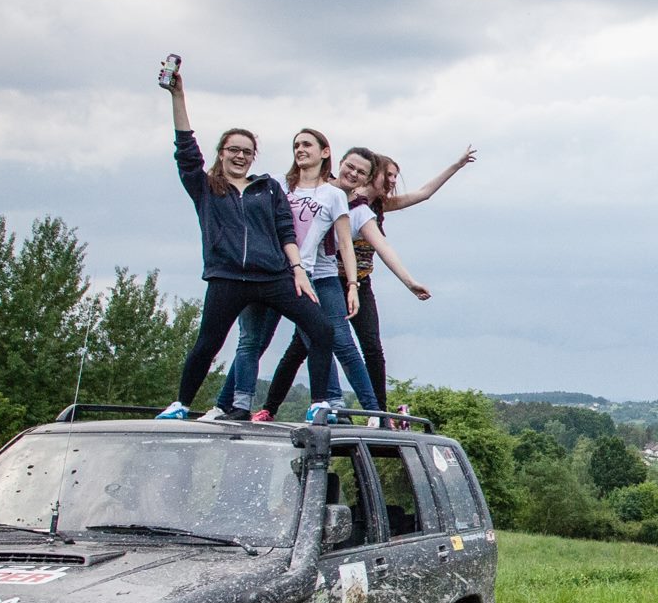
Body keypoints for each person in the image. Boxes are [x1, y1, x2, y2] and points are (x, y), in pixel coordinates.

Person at [159, 71, 334, 421]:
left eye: (247, 152)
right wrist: (178, 97)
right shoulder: (206, 187)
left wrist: (298, 270)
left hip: (273, 275)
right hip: (227, 278)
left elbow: (286, 231)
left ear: (254, 157)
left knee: (321, 328)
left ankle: (320, 403)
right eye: (234, 150)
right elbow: (186, 152)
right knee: (208, 344)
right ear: (221, 153)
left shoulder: (267, 188)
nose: (240, 156)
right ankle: (180, 404)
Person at [255, 148, 451, 420]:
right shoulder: (330, 194)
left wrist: (408, 282)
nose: (393, 181)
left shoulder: (370, 208)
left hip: (357, 282)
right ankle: (277, 407)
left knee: (362, 345)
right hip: (321, 278)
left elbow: (389, 238)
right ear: (375, 176)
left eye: (396, 176)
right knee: (305, 344)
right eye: (389, 175)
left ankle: (375, 411)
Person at [210, 127, 354, 420]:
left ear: (324, 152)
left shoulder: (333, 194)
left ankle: (330, 403)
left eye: (307, 144)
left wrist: (351, 284)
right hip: (266, 271)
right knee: (252, 340)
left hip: (301, 273)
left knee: (319, 333)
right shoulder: (275, 184)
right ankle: (232, 405)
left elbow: (346, 244)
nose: (300, 149)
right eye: (296, 145)